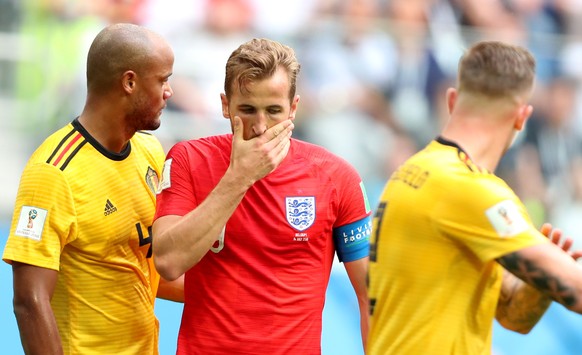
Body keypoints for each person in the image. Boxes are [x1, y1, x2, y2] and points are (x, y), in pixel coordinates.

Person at [152, 38, 372, 354]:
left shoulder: (337, 177)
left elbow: (371, 295)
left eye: (273, 111)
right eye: (247, 110)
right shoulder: (189, 159)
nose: (260, 126)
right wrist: (238, 178)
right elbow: (169, 262)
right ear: (225, 104)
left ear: (294, 107)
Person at [366, 40, 582, 355]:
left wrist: (542, 283)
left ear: (452, 100)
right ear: (522, 117)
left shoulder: (413, 172)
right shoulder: (468, 188)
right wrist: (556, 270)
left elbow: (512, 316)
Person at [2, 23, 183, 355]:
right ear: (129, 82)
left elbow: (145, 267)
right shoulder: (53, 172)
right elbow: (29, 300)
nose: (169, 92)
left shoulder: (150, 152)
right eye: (163, 80)